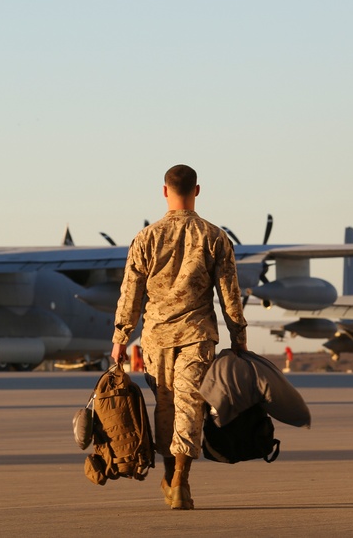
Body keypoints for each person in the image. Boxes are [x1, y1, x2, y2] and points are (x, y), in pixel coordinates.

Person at [110, 164, 247, 511]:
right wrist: (239, 338)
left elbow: (130, 293)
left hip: (155, 338)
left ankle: (173, 477)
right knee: (190, 405)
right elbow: (230, 293)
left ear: (164, 191)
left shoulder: (146, 238)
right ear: (197, 191)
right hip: (197, 336)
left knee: (167, 406)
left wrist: (120, 339)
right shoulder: (214, 237)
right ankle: (180, 480)